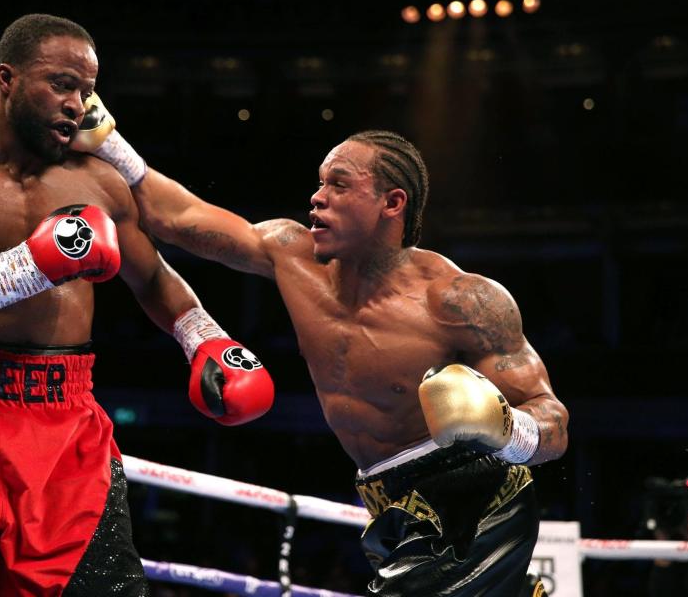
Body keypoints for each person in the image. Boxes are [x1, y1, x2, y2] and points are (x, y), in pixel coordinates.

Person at [0, 14, 273, 597]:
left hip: (65, 426)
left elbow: (154, 278)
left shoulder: (102, 185)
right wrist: (30, 267)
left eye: (87, 90)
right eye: (61, 84)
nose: (78, 105)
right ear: (5, 79)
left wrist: (203, 338)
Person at [83, 115, 569, 595]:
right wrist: (106, 134)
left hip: (476, 505)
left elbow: (553, 423)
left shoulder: (460, 301)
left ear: (392, 202)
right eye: (320, 184)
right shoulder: (290, 255)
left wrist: (506, 429)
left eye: (339, 185)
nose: (317, 198)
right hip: (389, 503)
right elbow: (177, 218)